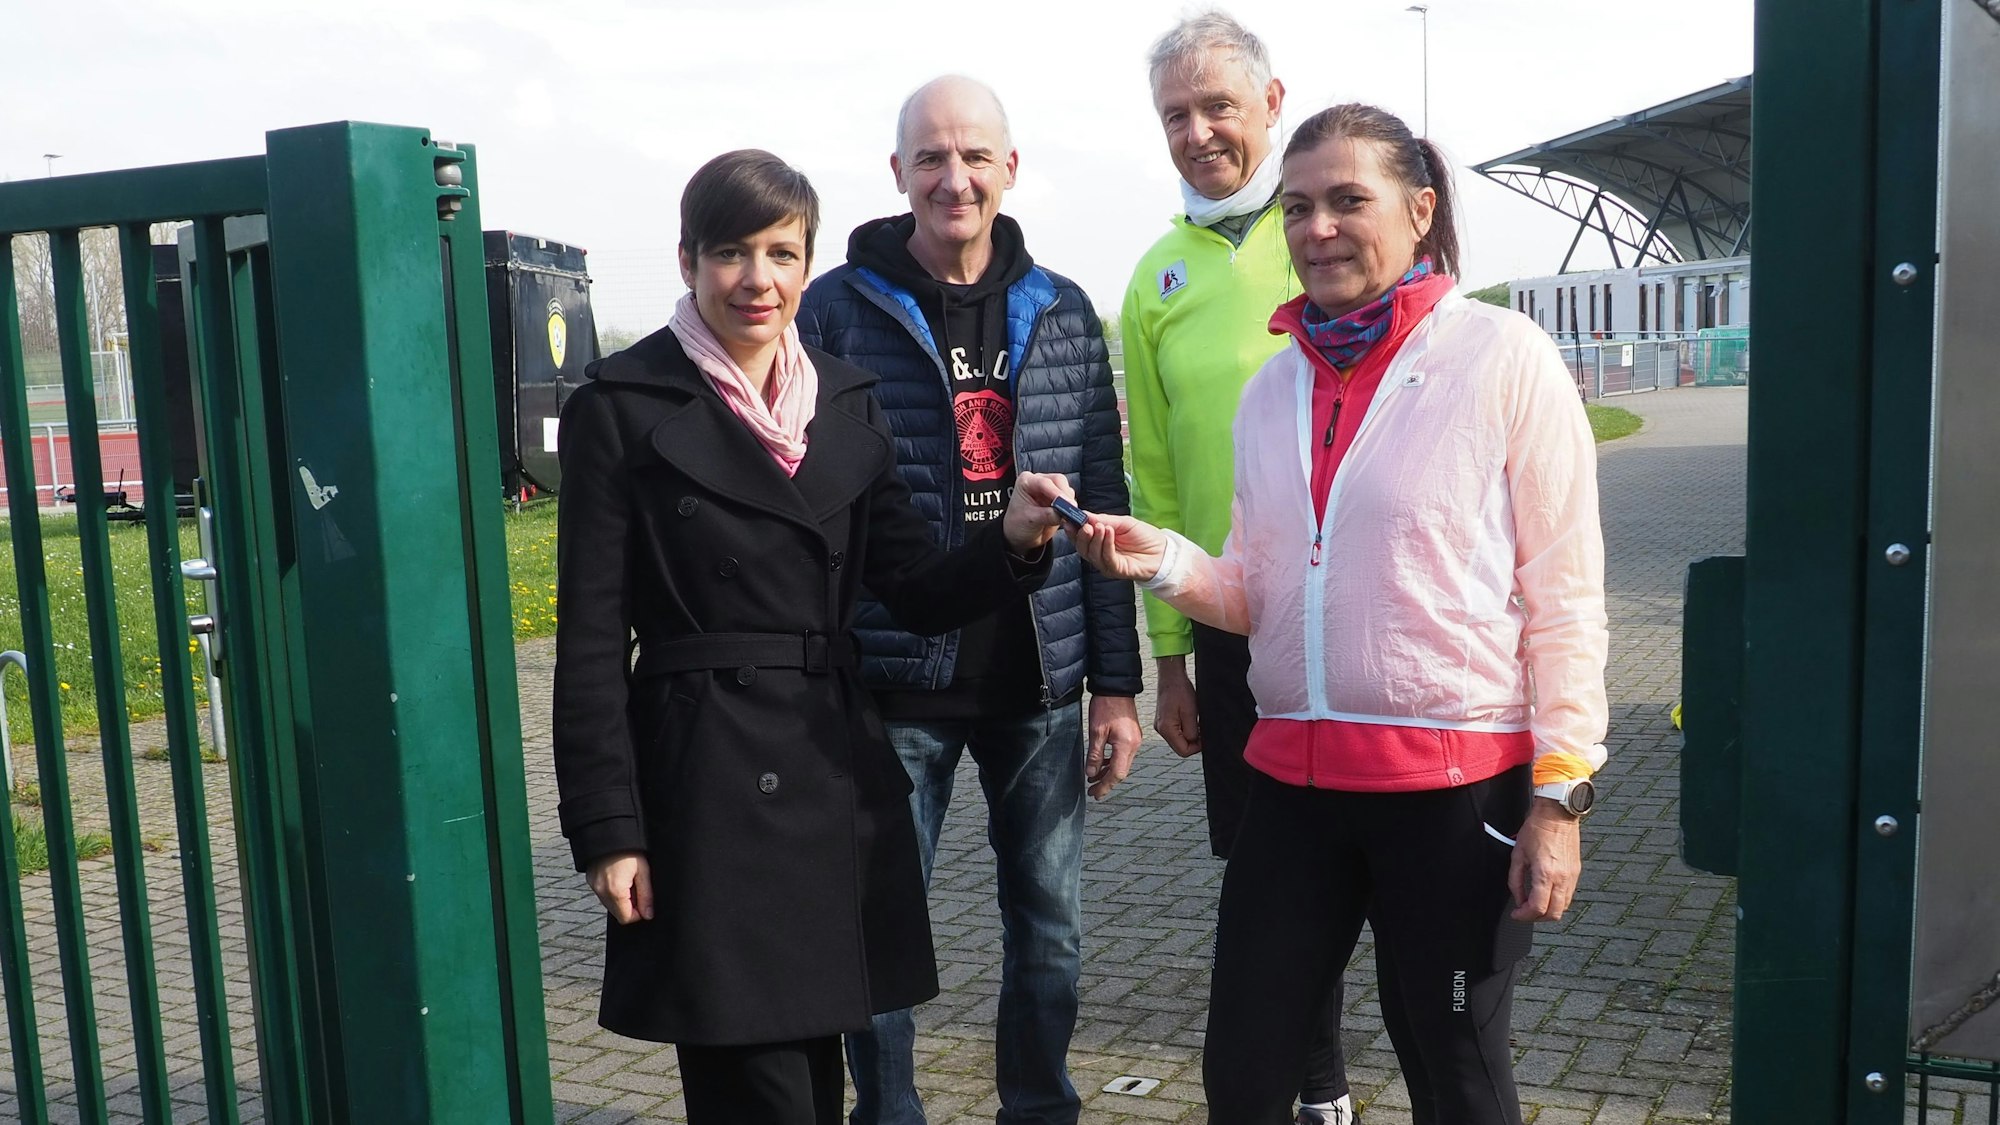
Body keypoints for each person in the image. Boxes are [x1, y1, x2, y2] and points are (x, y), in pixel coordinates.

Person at [1071, 104, 1609, 1125]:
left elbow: (1567, 598)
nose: (1316, 228)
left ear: (1419, 210)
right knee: (1242, 1077)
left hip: (1451, 788)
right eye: (1297, 206)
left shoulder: (1500, 356)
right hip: (1293, 784)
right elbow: (1261, 593)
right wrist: (1163, 561)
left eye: (1347, 201)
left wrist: (1559, 799)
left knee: (1453, 1073)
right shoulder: (1271, 390)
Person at [550, 148, 1076, 1125]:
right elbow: (587, 643)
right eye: (731, 253)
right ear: (686, 260)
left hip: (830, 778)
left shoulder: (843, 399)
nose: (758, 279)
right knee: (753, 1084)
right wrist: (609, 828)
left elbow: (913, 588)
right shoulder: (621, 406)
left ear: (807, 263)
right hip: (702, 785)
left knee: (816, 1078)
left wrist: (1010, 537)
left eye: (782, 254)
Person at [797, 75, 1143, 1125]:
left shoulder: (1064, 311)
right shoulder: (834, 309)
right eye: (932, 157)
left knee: (1050, 928)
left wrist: (1116, 686)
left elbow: (1104, 501)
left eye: (975, 156)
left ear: (1010, 169)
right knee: (876, 930)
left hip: (1037, 678)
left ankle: (1038, 1108)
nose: (955, 178)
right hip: (895, 675)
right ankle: (889, 1113)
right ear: (898, 173)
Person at [1120, 13, 1354, 1124]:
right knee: (1269, 872)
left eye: (1218, 105)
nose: (1198, 131)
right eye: (1176, 114)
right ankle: (1320, 1084)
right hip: (1227, 625)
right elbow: (1156, 479)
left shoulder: (1329, 235)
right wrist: (1168, 663)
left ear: (1272, 102)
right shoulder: (1152, 278)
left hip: (1357, 614)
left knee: (1376, 858)